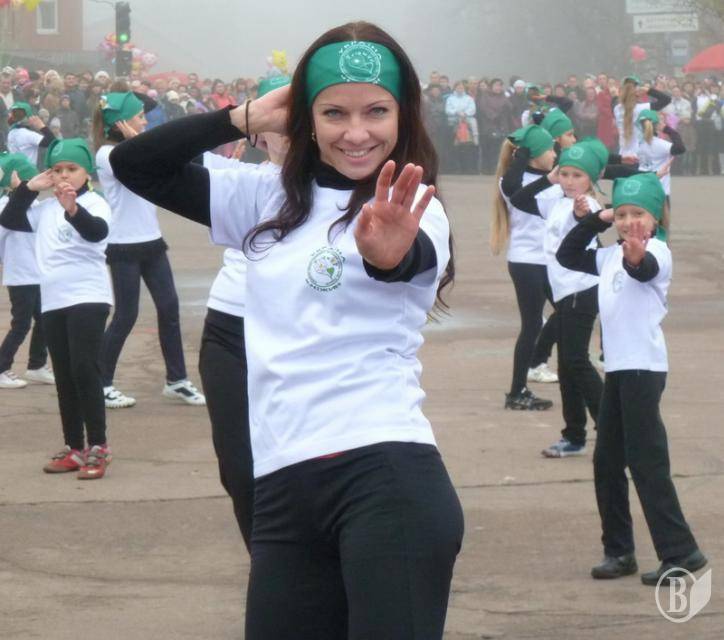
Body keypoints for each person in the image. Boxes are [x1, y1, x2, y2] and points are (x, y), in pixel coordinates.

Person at [110, 21, 463, 638]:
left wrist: (389, 255)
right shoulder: (265, 197)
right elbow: (134, 164)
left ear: (403, 115)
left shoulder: (413, 208)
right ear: (306, 119)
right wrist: (242, 117)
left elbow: (404, 258)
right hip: (283, 489)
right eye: (334, 112)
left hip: (385, 482)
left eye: (376, 111)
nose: (357, 132)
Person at [557, 173, 707, 585]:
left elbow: (644, 269)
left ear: (655, 218)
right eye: (621, 214)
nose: (628, 222)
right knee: (607, 462)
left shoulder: (658, 252)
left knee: (646, 461)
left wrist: (636, 255)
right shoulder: (608, 257)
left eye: (637, 214)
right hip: (620, 370)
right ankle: (619, 551)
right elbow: (567, 255)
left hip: (643, 369)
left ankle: (681, 552)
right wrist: (598, 218)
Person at [199, 74, 291, 550]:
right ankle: (268, 563)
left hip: (296, 331)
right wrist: (237, 120)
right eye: (280, 122)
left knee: (300, 462)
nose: (292, 132)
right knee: (240, 468)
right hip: (231, 328)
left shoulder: (345, 183)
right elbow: (141, 161)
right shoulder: (238, 180)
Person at [0, 139, 113, 479]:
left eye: (72, 169)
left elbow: (97, 233)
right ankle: (74, 447)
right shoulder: (45, 210)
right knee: (64, 374)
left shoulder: (95, 202)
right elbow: (10, 217)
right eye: (57, 169)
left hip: (88, 297)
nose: (64, 175)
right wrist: (30, 188)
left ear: (86, 172)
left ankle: (98, 446)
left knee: (84, 369)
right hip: (53, 300)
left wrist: (73, 209)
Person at [93, 91, 205, 408]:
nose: (145, 122)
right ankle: (100, 383)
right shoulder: (107, 154)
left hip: (152, 241)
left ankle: (177, 380)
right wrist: (133, 135)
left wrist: (131, 106)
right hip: (123, 246)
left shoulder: (134, 146)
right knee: (125, 316)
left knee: (169, 309)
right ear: (121, 123)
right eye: (139, 116)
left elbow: (157, 155)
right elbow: (141, 161)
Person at [510, 141, 607, 456]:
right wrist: (548, 179)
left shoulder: (588, 206)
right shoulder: (556, 201)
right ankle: (574, 436)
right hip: (564, 294)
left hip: (582, 291)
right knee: (566, 367)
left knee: (576, 361)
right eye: (564, 173)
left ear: (591, 179)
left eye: (577, 175)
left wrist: (582, 216)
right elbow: (519, 198)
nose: (569, 181)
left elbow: (587, 224)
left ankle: (611, 425)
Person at [492, 125, 558, 410]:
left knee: (568, 314)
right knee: (531, 325)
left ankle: (538, 361)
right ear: (533, 154)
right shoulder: (511, 180)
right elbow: (513, 188)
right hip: (527, 261)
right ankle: (517, 390)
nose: (554, 154)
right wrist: (523, 155)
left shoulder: (553, 176)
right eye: (549, 149)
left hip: (550, 261)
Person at [0, 153, 54, 389]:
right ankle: (1, 367)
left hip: (39, 274)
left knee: (44, 320)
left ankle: (37, 365)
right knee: (21, 324)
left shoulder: (37, 205)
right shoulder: (5, 206)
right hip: (20, 276)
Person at [614, 75, 670, 157]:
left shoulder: (616, 109)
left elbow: (617, 100)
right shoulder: (640, 108)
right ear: (637, 94)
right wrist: (647, 90)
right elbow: (666, 99)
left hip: (623, 156)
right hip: (638, 156)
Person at [6, 102, 55, 168]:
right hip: (28, 171)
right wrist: (42, 126)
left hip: (14, 170)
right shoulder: (28, 135)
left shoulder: (11, 133)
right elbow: (52, 141)